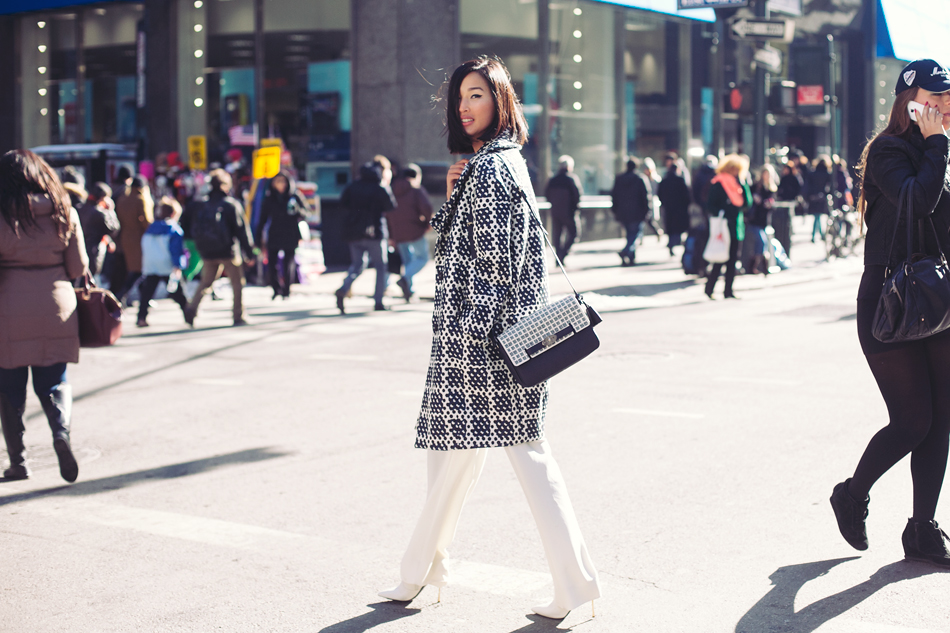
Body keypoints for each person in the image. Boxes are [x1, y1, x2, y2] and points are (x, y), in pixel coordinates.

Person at [377, 56, 601, 621]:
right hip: (488, 340)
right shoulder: (495, 164)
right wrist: (453, 197)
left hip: (485, 345)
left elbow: (494, 267)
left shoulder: (495, 169)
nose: (465, 106)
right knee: (453, 461)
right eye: (460, 98)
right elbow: (458, 250)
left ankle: (572, 589)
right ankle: (423, 574)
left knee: (520, 457)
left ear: (500, 101)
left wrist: (473, 339)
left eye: (477, 95)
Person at [830, 58, 950, 566]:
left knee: (941, 419)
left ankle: (922, 529)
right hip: (889, 298)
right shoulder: (888, 150)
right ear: (910, 100)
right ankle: (852, 495)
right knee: (912, 421)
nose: (944, 106)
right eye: (936, 98)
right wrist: (937, 143)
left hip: (937, 297)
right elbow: (918, 203)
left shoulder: (941, 151)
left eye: (948, 99)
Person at [0, 149, 89, 482]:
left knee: (9, 385)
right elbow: (79, 267)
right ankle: (61, 434)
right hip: (57, 305)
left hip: (8, 307)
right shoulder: (64, 210)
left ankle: (18, 461)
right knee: (54, 379)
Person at [184, 169, 256, 327]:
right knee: (237, 283)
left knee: (206, 282)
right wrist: (249, 253)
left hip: (207, 250)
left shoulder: (201, 205)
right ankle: (238, 315)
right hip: (228, 251)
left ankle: (192, 309)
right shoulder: (231, 204)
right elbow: (242, 231)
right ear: (225, 185)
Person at [334, 160, 395, 314]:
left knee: (357, 264)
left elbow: (342, 204)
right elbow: (391, 206)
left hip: (354, 233)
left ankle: (344, 288)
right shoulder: (379, 187)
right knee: (380, 266)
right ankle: (378, 301)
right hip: (375, 232)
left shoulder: (352, 186)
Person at [704, 153, 751, 300]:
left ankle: (728, 291)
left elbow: (747, 204)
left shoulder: (739, 185)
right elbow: (710, 204)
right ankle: (709, 288)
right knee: (720, 259)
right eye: (733, 169)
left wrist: (743, 185)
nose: (735, 173)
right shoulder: (718, 183)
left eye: (738, 170)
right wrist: (722, 212)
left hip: (737, 227)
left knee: (732, 260)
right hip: (724, 226)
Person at [256, 170, 308, 300]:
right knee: (272, 263)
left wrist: (297, 210)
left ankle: (286, 290)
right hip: (274, 233)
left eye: (283, 181)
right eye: (277, 181)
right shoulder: (269, 198)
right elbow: (262, 218)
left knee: (288, 263)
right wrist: (258, 238)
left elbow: (306, 213)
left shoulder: (295, 196)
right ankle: (276, 289)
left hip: (291, 232)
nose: (280, 184)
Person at [137, 197, 188, 327]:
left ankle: (141, 317)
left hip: (151, 263)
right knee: (177, 291)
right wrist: (178, 265)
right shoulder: (174, 229)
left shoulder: (150, 227)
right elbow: (176, 250)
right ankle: (189, 314)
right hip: (167, 264)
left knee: (147, 292)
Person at [386, 163, 433, 302]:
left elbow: (387, 212)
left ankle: (409, 292)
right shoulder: (416, 189)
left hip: (397, 232)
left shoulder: (391, 189)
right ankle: (405, 280)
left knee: (408, 261)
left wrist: (391, 234)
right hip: (414, 229)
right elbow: (426, 207)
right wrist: (426, 223)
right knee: (423, 258)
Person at [114, 175, 154, 303]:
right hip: (139, 239)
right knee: (138, 270)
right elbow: (146, 222)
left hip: (125, 238)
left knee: (136, 269)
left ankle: (144, 299)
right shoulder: (141, 199)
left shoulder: (122, 199)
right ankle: (121, 297)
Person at [611, 156, 651, 266]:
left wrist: (615, 210)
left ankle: (631, 258)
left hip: (623, 213)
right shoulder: (640, 178)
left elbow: (614, 196)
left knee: (630, 234)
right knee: (635, 235)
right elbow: (646, 196)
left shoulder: (620, 178)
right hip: (637, 213)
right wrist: (647, 210)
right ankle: (626, 251)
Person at [76, 182, 119, 286]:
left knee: (82, 281)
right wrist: (111, 211)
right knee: (90, 282)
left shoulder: (79, 209)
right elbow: (114, 230)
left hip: (79, 249)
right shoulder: (100, 213)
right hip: (94, 251)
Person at [543, 155, 583, 261]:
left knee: (557, 235)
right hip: (569, 212)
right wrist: (575, 208)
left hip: (556, 212)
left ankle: (558, 256)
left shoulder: (553, 179)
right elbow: (577, 195)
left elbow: (547, 195)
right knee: (574, 233)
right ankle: (562, 254)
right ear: (569, 166)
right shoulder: (571, 179)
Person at [658, 158, 691, 256]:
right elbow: (686, 195)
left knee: (671, 227)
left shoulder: (665, 180)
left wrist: (664, 203)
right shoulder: (680, 180)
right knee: (678, 227)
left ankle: (672, 243)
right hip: (679, 208)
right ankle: (673, 243)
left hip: (669, 208)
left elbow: (659, 193)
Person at [749, 164, 778, 275]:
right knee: (762, 242)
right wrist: (756, 199)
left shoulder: (772, 188)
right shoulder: (756, 186)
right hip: (755, 219)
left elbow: (772, 204)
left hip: (765, 220)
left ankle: (755, 267)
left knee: (760, 243)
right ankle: (762, 267)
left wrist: (769, 204)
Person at [808, 155, 834, 242]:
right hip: (822, 197)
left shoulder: (813, 172)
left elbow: (808, 185)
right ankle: (820, 235)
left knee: (817, 217)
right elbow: (830, 186)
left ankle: (816, 235)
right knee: (818, 217)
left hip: (814, 197)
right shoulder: (827, 173)